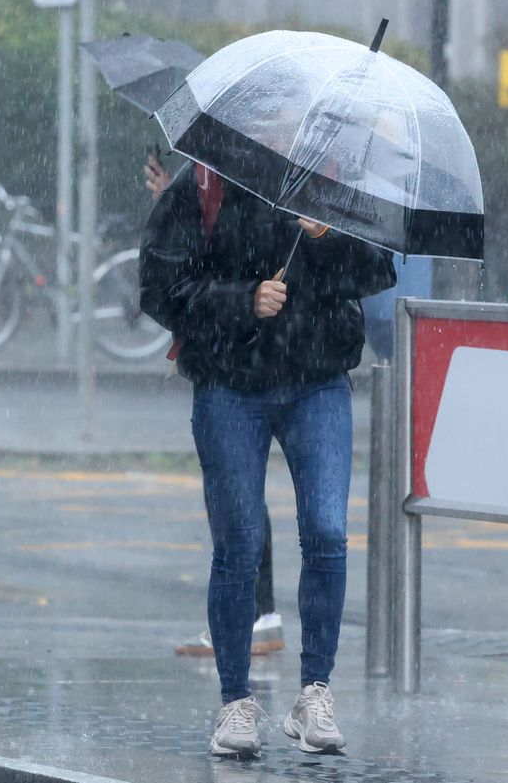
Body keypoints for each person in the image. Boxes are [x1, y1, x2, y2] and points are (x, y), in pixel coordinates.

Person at [140, 160, 395, 758]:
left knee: (328, 533)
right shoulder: (202, 182)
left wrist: (325, 237)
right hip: (230, 385)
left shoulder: (334, 181)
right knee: (238, 545)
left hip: (318, 380)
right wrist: (242, 300)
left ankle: (315, 691)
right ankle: (236, 704)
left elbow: (377, 269)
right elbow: (159, 289)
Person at [143, 152, 285, 659]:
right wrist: (168, 207)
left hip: (239, 354)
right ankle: (254, 613)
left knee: (236, 494)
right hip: (222, 348)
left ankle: (255, 614)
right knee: (236, 491)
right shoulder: (206, 176)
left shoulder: (238, 171)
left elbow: (229, 255)